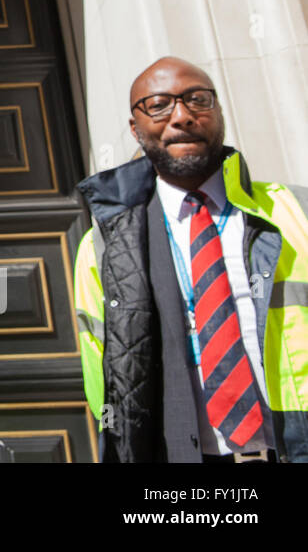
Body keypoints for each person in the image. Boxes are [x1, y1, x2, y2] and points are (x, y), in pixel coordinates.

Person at [73, 56, 308, 462]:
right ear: (135, 127)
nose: (181, 116)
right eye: (158, 104)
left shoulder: (297, 210)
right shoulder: (101, 248)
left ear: (217, 113)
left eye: (197, 99)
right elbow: (104, 381)